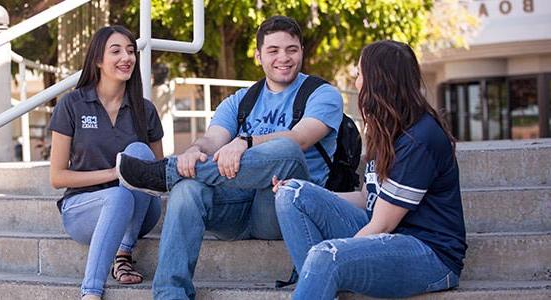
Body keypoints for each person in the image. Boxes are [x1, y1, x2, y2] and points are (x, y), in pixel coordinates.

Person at [116, 16, 343, 299]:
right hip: (234, 206)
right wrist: (192, 153)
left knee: (287, 150)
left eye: (291, 49)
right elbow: (211, 141)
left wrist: (244, 142)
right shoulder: (241, 100)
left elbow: (302, 138)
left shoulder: (322, 94)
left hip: (283, 207)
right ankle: (170, 294)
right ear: (259, 55)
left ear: (301, 51)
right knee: (187, 188)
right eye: (273, 50)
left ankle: (165, 174)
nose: (283, 58)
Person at [273, 40, 467, 299]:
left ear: (378, 80)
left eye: (360, 74)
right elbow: (367, 198)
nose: (356, 82)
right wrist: (310, 193)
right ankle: (319, 284)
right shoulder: (385, 128)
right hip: (384, 234)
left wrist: (338, 255)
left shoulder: (420, 138)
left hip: (429, 254)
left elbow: (382, 224)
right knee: (293, 194)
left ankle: (319, 280)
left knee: (325, 256)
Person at [48, 25, 164, 300]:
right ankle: (91, 292)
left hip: (139, 212)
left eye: (130, 51)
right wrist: (115, 173)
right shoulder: (72, 105)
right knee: (117, 197)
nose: (126, 57)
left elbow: (157, 171)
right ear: (98, 60)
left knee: (140, 153)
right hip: (83, 209)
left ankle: (124, 250)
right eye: (116, 51)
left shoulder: (145, 109)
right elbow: (57, 177)